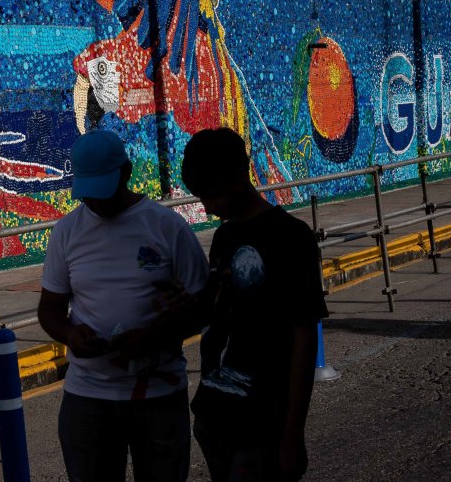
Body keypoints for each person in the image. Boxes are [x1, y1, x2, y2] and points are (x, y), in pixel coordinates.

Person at [38, 129, 209, 482]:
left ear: (127, 173)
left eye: (105, 191)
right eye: (89, 195)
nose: (97, 203)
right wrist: (71, 334)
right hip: (88, 398)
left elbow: (205, 307)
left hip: (158, 395)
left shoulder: (168, 228)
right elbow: (50, 310)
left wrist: (154, 336)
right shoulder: (66, 232)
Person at [180, 127, 327, 481]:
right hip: (215, 415)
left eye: (212, 195)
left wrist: (293, 433)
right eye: (202, 198)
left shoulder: (291, 237)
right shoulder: (224, 236)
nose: (208, 207)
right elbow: (217, 316)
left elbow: (304, 336)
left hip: (262, 423)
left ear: (237, 178)